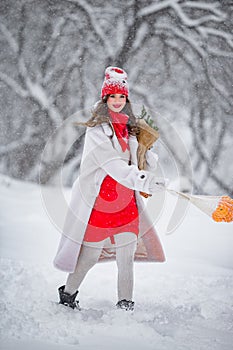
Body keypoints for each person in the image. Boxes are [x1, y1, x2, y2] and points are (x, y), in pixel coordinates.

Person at [54, 66, 166, 311]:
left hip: (127, 205)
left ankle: (125, 306)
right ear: (105, 98)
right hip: (102, 205)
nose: (117, 101)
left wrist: (149, 157)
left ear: (127, 99)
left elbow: (138, 161)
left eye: (122, 96)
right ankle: (68, 297)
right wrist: (145, 180)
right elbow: (114, 166)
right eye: (113, 96)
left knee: (126, 260)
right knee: (90, 257)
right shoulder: (97, 132)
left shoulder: (129, 129)